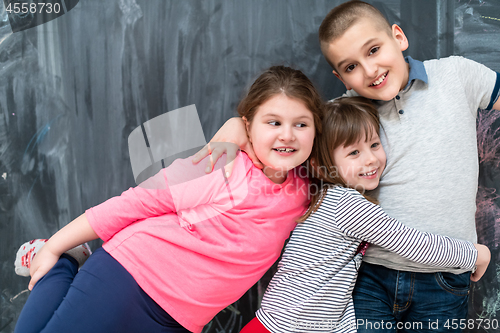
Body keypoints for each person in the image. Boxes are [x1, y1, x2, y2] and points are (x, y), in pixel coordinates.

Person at [193, 1, 500, 331]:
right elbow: (283, 134)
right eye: (351, 67)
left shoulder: (457, 74)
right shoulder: (338, 117)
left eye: (374, 50)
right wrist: (237, 126)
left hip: (444, 278)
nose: (369, 71)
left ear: (398, 37)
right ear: (341, 78)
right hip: (371, 276)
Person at [13, 65, 323, 333]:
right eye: (273, 122)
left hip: (183, 321)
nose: (287, 135)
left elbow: (352, 123)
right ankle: (62, 256)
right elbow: (137, 202)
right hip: (129, 279)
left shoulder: (305, 189)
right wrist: (55, 245)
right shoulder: (221, 164)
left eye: (301, 124)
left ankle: (67, 258)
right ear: (248, 125)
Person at [238, 97, 490, 333]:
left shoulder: (324, 196)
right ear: (319, 164)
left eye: (374, 144)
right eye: (353, 153)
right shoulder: (345, 204)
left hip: (280, 321)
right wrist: (474, 254)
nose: (370, 159)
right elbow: (412, 243)